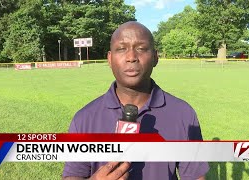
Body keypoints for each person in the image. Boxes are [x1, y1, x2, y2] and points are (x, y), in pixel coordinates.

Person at [63, 21, 209, 180]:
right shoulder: (84, 119)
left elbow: (195, 177)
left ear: (155, 57)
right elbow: (73, 175)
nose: (131, 57)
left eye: (141, 48)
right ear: (110, 59)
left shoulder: (183, 114)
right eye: (121, 49)